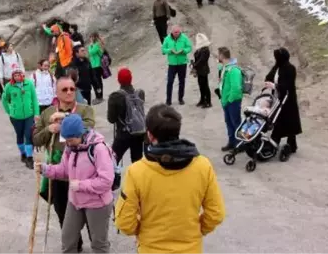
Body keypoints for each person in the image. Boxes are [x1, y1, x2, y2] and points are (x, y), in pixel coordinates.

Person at [114, 104, 225, 252]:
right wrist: (198, 231)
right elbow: (216, 213)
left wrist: (143, 233)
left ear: (150, 135)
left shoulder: (137, 171)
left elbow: (125, 222)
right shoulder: (203, 166)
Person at [33, 77, 95, 253]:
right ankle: (75, 243)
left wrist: (66, 118)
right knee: (63, 211)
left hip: (84, 171)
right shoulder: (47, 114)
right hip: (58, 171)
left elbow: (89, 128)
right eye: (65, 90)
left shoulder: (85, 109)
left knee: (89, 211)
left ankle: (97, 244)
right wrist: (48, 129)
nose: (69, 92)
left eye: (72, 89)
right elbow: (36, 139)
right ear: (56, 92)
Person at [35, 113, 114, 254]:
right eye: (66, 140)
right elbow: (64, 170)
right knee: (68, 240)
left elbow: (106, 181)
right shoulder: (70, 148)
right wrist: (46, 170)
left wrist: (81, 185)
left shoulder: (99, 149)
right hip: (75, 201)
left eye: (70, 140)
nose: (67, 143)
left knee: (99, 244)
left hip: (97, 204)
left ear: (80, 134)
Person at [264, 47, 302, 154]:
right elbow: (269, 77)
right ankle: (291, 144)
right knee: (282, 121)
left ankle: (277, 142)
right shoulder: (277, 67)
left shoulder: (290, 68)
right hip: (277, 98)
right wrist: (268, 82)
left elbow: (287, 85)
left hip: (287, 100)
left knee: (286, 121)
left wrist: (275, 85)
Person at [2, 68, 39, 169]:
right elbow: (5, 99)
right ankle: (23, 153)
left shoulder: (29, 84)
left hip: (29, 115)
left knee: (28, 135)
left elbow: (34, 99)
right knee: (20, 135)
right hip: (16, 117)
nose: (17, 77)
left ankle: (29, 158)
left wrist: (36, 113)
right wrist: (10, 111)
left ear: (22, 75)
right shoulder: (9, 86)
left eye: (19, 75)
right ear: (12, 76)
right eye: (15, 76)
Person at [107, 67, 145, 163]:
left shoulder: (115, 96)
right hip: (138, 132)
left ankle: (113, 178)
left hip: (124, 133)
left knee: (111, 160)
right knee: (137, 162)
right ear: (131, 78)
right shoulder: (140, 93)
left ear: (118, 80)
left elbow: (111, 119)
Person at [218, 47, 243, 151]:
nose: (217, 56)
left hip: (232, 101)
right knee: (229, 122)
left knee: (235, 123)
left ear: (222, 56)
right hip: (226, 101)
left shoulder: (233, 70)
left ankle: (240, 144)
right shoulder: (225, 68)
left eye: (218, 54)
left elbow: (236, 87)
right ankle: (232, 142)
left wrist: (230, 99)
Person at [161, 26, 192, 106]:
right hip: (172, 64)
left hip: (182, 63)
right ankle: (168, 100)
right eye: (175, 32)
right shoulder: (167, 39)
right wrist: (170, 50)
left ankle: (180, 98)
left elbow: (189, 47)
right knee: (170, 81)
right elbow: (163, 50)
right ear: (172, 32)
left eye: (178, 32)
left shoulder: (184, 38)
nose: (177, 34)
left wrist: (183, 50)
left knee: (182, 81)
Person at [191, 33, 212, 108]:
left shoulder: (205, 50)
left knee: (205, 86)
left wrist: (194, 65)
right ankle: (202, 99)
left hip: (203, 70)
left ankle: (208, 101)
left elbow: (202, 60)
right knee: (201, 86)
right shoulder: (200, 49)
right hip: (200, 70)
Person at [88, 33, 105, 104]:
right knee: (96, 82)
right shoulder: (92, 45)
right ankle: (98, 96)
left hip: (97, 66)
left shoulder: (96, 45)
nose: (90, 39)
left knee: (98, 82)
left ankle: (100, 97)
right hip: (93, 66)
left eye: (91, 37)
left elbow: (91, 52)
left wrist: (91, 45)